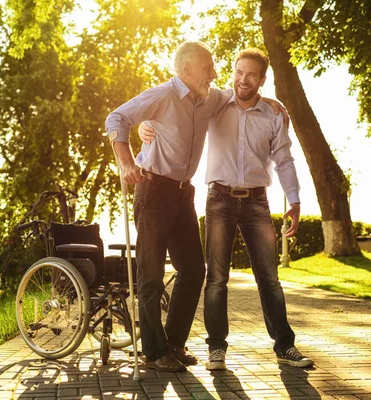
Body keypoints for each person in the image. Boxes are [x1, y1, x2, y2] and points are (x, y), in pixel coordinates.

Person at [139, 48, 313, 369]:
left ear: (262, 80)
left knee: (270, 279)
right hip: (218, 198)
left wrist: (295, 199)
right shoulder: (213, 102)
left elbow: (284, 159)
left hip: (258, 201)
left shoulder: (274, 115)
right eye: (238, 72)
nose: (243, 79)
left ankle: (284, 346)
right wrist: (143, 126)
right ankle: (216, 348)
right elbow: (171, 108)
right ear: (233, 72)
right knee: (216, 279)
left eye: (251, 75)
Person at [105, 41, 233, 373]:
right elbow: (117, 117)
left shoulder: (210, 98)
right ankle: (154, 352)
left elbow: (237, 95)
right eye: (207, 68)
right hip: (152, 190)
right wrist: (126, 163)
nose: (213, 74)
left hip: (182, 194)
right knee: (150, 275)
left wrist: (271, 104)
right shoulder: (162, 95)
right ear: (186, 69)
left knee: (193, 270)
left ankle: (174, 343)